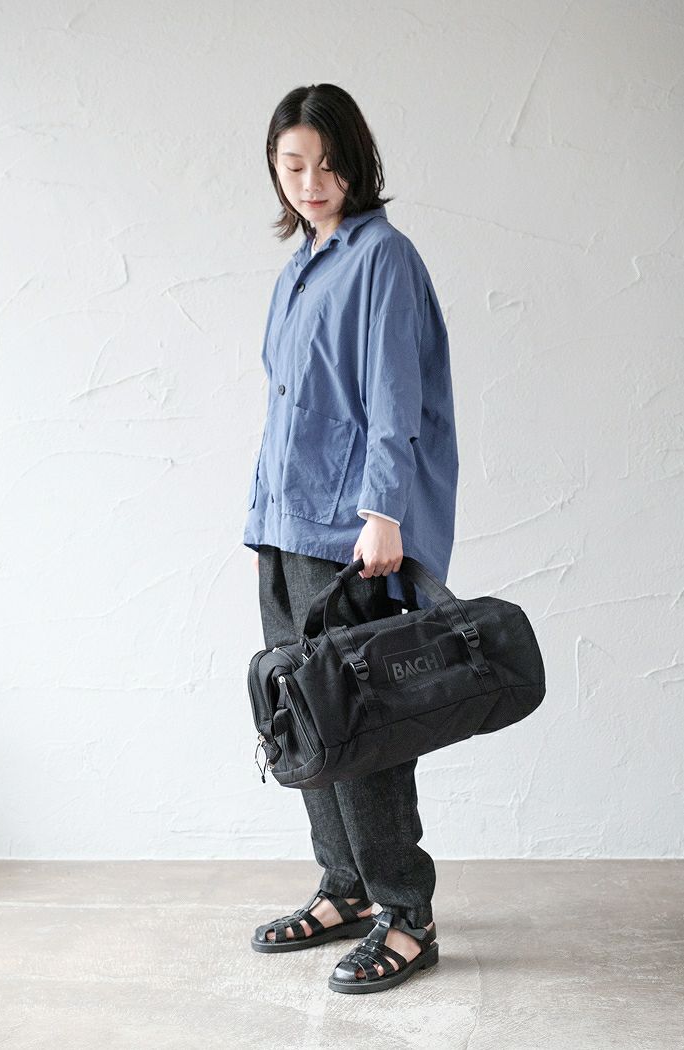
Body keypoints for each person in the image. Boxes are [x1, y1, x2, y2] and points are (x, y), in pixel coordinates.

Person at [242, 83, 458, 994]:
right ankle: (346, 888)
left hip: (350, 533)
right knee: (305, 718)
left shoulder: (382, 258)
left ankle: (406, 913)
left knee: (363, 724)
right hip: (283, 525)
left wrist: (384, 513)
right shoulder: (301, 266)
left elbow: (394, 396)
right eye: (293, 165)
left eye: (327, 164)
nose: (311, 182)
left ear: (356, 163)